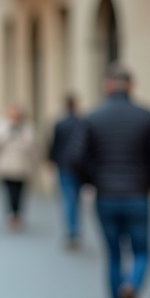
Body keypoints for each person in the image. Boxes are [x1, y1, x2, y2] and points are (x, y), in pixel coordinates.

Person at [68, 62, 150, 298]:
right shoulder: (147, 116)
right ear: (131, 85)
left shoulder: (93, 117)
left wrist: (93, 179)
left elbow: (75, 157)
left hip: (106, 196)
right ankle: (132, 285)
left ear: (108, 85)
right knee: (143, 252)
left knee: (113, 255)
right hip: (137, 194)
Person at [0, 104, 37, 229]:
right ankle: (11, 214)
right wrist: (7, 133)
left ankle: (17, 213)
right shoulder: (0, 124)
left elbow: (32, 145)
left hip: (22, 165)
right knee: (9, 191)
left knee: (20, 192)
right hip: (5, 166)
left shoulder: (27, 126)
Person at [48, 95, 83, 248]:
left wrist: (51, 161)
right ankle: (74, 230)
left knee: (68, 198)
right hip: (78, 166)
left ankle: (71, 231)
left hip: (64, 165)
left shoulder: (60, 123)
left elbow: (54, 145)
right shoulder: (81, 122)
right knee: (75, 198)